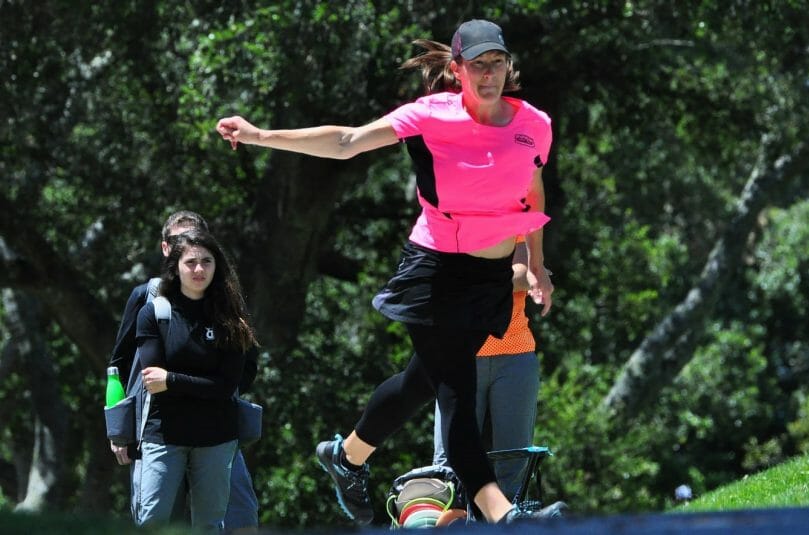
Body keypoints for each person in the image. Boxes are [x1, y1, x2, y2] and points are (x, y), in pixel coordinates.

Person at [216, 18, 563, 524]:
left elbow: (530, 192)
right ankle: (504, 515)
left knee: (421, 381)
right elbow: (347, 141)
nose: (488, 75)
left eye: (497, 63)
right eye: (477, 64)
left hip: (488, 280)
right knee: (457, 394)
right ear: (456, 68)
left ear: (508, 66)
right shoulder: (432, 115)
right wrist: (259, 134)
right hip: (436, 271)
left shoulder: (534, 124)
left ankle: (347, 456)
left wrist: (536, 263)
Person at [107, 211, 260, 533]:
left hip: (217, 433)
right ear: (168, 251)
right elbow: (119, 365)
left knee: (239, 517)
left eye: (205, 256)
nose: (197, 266)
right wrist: (118, 429)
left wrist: (208, 392)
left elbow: (244, 370)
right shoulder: (148, 300)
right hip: (157, 430)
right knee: (155, 520)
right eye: (183, 248)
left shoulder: (229, 306)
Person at [432, 238, 542, 500]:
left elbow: (525, 276)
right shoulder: (454, 225)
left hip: (515, 357)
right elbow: (444, 279)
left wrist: (477, 281)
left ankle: (511, 525)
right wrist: (506, 278)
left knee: (514, 459)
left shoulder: (518, 229)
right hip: (461, 356)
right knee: (447, 461)